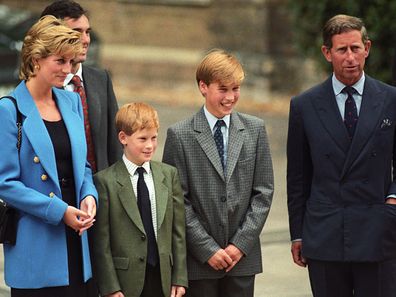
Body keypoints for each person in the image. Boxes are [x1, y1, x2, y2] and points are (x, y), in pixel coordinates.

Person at [287, 14, 396, 297]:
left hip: (378, 232)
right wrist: (297, 233)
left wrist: (393, 201)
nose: (351, 57)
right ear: (327, 53)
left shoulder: (390, 100)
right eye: (342, 50)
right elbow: (298, 177)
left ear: (367, 48)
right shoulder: (304, 106)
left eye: (356, 48)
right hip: (325, 235)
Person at [162, 49, 274, 297]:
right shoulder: (180, 135)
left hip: (242, 261)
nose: (231, 97)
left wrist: (239, 245)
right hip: (199, 263)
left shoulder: (254, 130)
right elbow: (177, 200)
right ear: (203, 87)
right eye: (223, 89)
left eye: (236, 89)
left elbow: (263, 193)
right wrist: (207, 249)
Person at [0, 15, 98, 297]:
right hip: (36, 245)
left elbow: (84, 167)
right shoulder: (9, 110)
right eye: (60, 61)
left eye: (71, 62)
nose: (68, 70)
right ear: (35, 60)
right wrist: (60, 211)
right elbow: (6, 183)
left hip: (77, 241)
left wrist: (89, 196)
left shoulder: (71, 102)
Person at [91, 102, 188, 297]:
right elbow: (101, 242)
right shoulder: (105, 181)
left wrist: (179, 277)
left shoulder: (168, 175)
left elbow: (178, 233)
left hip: (163, 278)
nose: (150, 145)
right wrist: (110, 287)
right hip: (126, 282)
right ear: (123, 138)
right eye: (142, 139)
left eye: (154, 138)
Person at [41, 0, 121, 173]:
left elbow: (115, 146)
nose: (85, 40)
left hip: (100, 192)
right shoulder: (41, 87)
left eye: (87, 32)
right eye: (76, 32)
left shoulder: (101, 79)